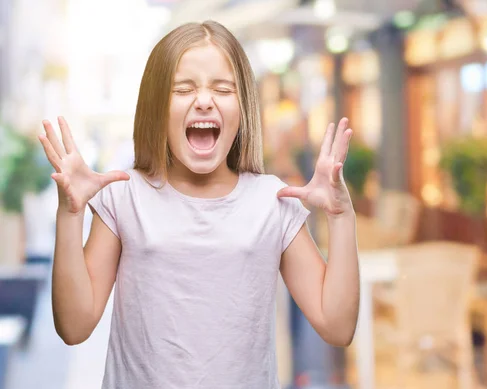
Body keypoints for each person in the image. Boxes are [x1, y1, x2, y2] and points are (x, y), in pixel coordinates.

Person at [38, 21, 359, 389]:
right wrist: (70, 214)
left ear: (243, 108)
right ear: (156, 107)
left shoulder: (273, 201)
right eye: (183, 89)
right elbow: (74, 328)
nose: (204, 100)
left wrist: (340, 217)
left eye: (223, 89)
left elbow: (338, 327)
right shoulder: (124, 196)